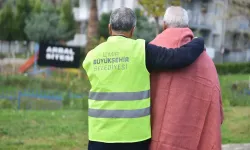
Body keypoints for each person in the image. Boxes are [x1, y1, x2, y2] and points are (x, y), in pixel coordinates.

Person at [83, 7, 204, 150]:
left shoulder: (91, 56)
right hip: (134, 138)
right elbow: (179, 57)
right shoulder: (142, 50)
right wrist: (198, 41)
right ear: (133, 30)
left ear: (109, 28)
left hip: (100, 137)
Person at [149, 6, 223, 150]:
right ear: (187, 26)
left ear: (164, 24)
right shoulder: (206, 60)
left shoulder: (151, 51)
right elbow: (214, 103)